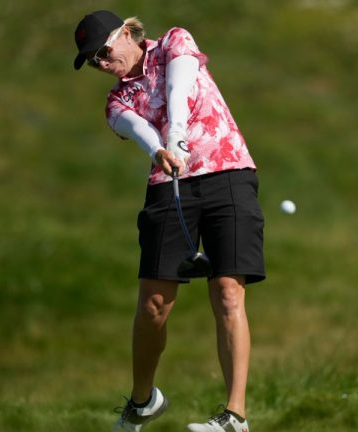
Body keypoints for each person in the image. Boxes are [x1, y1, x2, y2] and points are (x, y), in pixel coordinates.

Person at [73, 10, 265, 432]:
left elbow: (181, 87)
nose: (101, 63)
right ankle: (143, 402)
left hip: (227, 171)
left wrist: (176, 132)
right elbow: (136, 127)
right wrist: (158, 150)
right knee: (153, 306)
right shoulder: (115, 99)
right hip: (170, 184)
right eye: (92, 61)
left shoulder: (175, 42)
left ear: (127, 33)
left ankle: (235, 416)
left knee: (229, 293)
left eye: (103, 51)